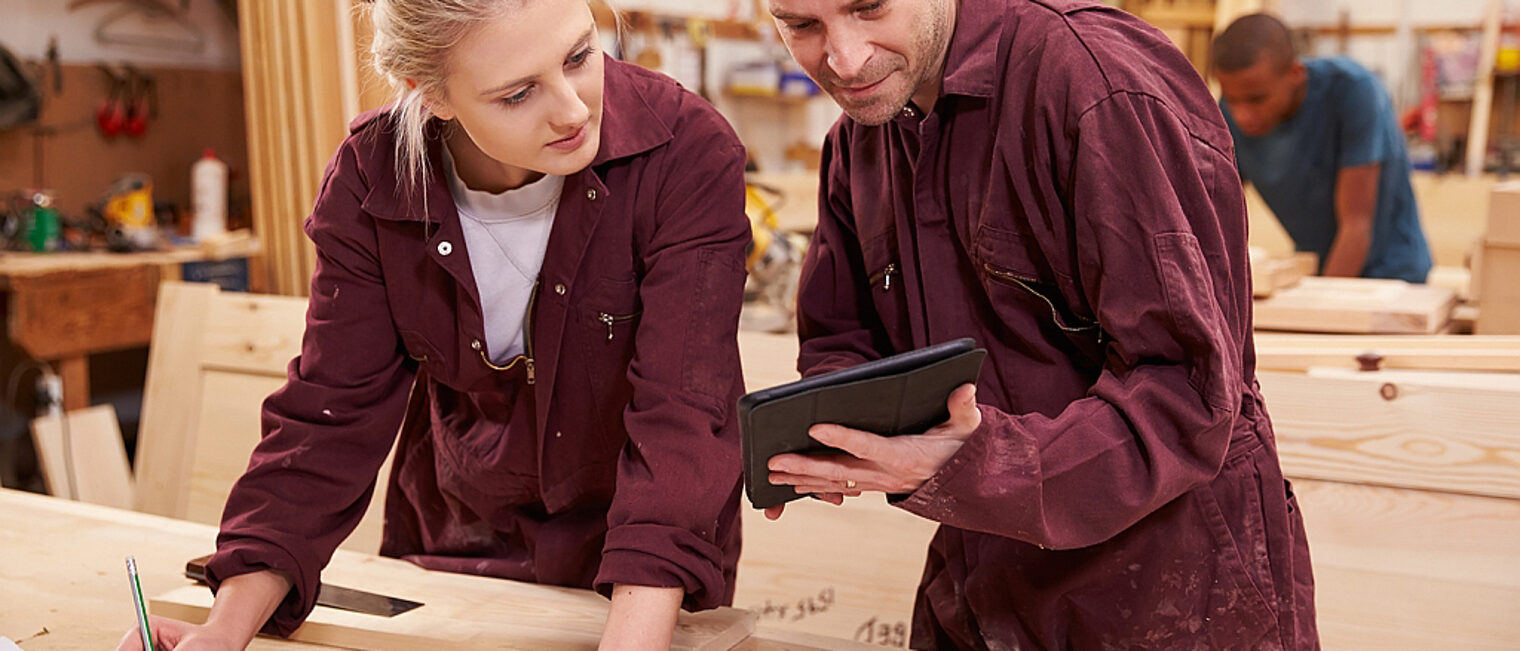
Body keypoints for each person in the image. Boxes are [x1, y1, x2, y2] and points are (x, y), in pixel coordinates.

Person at [115, 0, 751, 648]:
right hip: (453, 558)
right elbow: (328, 420)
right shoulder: (372, 178)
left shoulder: (686, 151)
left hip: (645, 583)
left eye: (580, 55)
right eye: (518, 93)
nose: (573, 108)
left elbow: (681, 420)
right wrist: (223, 631)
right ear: (432, 96)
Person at [759, 0, 1318, 648]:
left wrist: (976, 460)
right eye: (802, 26)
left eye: (870, 7)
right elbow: (842, 338)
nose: (845, 59)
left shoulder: (1097, 88)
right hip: (982, 592)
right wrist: (835, 436)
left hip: (1168, 599)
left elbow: (1187, 393)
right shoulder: (862, 137)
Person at [1214, 13, 1432, 283]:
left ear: (1295, 73)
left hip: (1392, 277)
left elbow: (1356, 225)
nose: (1242, 115)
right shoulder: (1230, 113)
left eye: (1256, 99)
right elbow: (1216, 217)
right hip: (1317, 271)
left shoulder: (1354, 92)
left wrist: (1320, 301)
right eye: (1232, 99)